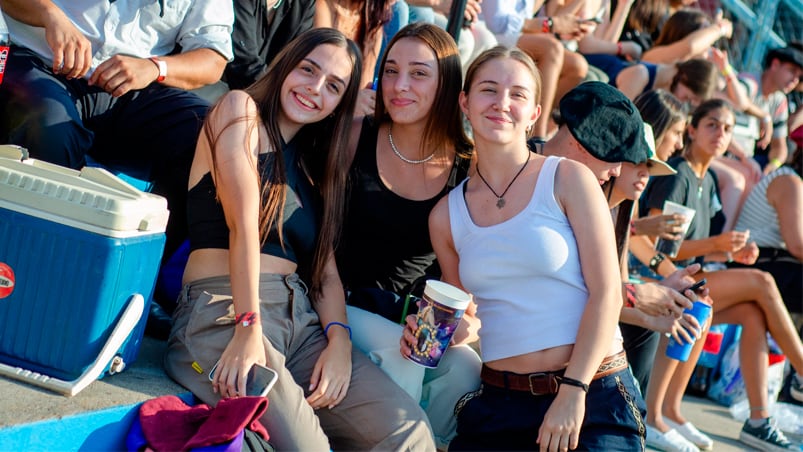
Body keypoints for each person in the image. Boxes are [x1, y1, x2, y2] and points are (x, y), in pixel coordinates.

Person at [163, 28, 434, 450]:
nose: (314, 88)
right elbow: (243, 224)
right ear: (287, 63)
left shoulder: (313, 163)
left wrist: (339, 342)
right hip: (224, 312)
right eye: (308, 69)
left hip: (300, 320)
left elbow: (324, 268)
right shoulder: (239, 111)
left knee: (408, 432)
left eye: (333, 87)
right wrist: (247, 326)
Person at [409, 50, 645, 450]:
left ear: (534, 112)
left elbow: (608, 293)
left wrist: (573, 390)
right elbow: (466, 315)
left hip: (593, 393)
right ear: (465, 101)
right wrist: (427, 330)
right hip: (501, 404)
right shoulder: (445, 216)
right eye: (488, 90)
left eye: (517, 94)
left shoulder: (569, 179)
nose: (502, 103)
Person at [336, 23, 481, 449]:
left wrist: (466, 321)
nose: (399, 86)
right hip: (342, 298)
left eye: (419, 74)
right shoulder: (356, 132)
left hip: (412, 314)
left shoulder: (467, 166)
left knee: (465, 368)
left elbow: (465, 268)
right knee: (404, 360)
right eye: (392, 70)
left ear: (448, 86)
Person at [0, 0, 233, 262]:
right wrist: (48, 14)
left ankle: (135, 273)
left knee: (216, 139)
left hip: (134, 87)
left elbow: (213, 58)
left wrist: (156, 68)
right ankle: (34, 263)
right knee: (49, 127)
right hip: (39, 62)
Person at [639, 98, 803, 451]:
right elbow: (654, 247)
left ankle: (754, 419)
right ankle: (654, 415)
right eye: (712, 125)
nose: (721, 134)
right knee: (761, 282)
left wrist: (728, 252)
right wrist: (717, 244)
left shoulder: (708, 179)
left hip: (690, 273)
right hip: (658, 277)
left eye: (728, 128)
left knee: (752, 313)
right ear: (692, 131)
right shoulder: (679, 174)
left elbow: (693, 247)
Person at [481, 0, 593, 139]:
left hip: (512, 36)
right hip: (488, 34)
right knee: (551, 49)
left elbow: (529, 22)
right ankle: (536, 137)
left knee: (577, 65)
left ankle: (540, 130)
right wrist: (550, 24)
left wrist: (558, 28)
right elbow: (498, 23)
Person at [315, 0, 394, 117]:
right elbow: (318, 79)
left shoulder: (373, 21)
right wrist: (351, 103)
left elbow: (364, 82)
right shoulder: (321, 5)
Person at [738, 43, 803, 172]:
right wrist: (765, 117)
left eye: (799, 77)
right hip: (726, 152)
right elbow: (738, 100)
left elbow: (780, 147)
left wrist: (773, 165)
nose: (795, 80)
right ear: (775, 65)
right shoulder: (749, 82)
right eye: (792, 71)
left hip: (746, 160)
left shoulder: (779, 100)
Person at [225, 0, 316, 90]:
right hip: (223, 87)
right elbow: (243, 63)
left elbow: (296, 62)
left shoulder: (305, 4)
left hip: (267, 92)